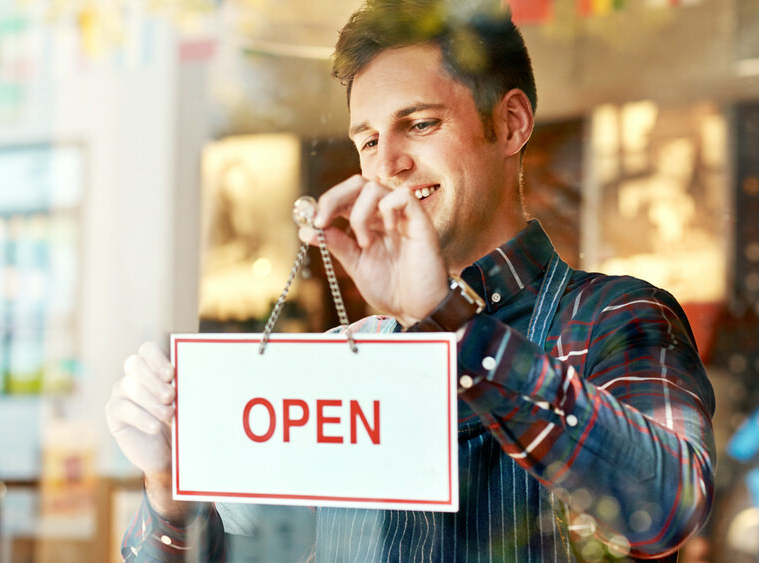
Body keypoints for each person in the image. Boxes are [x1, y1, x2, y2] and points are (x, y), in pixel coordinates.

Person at [104, 0, 716, 560]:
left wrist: (449, 322)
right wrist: (170, 490)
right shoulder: (344, 362)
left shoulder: (615, 316)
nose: (388, 163)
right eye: (368, 140)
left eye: (419, 124)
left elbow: (668, 508)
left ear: (510, 125)